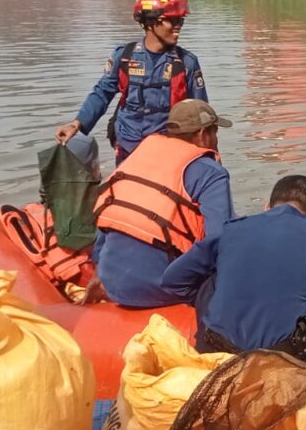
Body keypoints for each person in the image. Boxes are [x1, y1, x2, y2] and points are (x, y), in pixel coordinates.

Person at [162, 174, 306, 366]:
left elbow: (172, 280)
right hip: (283, 356)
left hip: (216, 347)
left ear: (267, 206)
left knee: (210, 281)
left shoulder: (230, 228)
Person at [89, 99, 234, 308]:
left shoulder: (137, 158)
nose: (216, 140)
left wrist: (98, 270)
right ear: (203, 135)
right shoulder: (210, 172)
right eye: (214, 133)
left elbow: (108, 215)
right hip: (162, 290)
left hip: (112, 283)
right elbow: (220, 239)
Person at [54, 0, 209, 163]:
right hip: (128, 145)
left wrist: (208, 156)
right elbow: (102, 93)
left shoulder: (186, 63)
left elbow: (201, 114)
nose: (177, 27)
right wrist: (77, 124)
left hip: (167, 149)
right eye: (171, 21)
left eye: (180, 21)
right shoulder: (124, 56)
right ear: (149, 23)